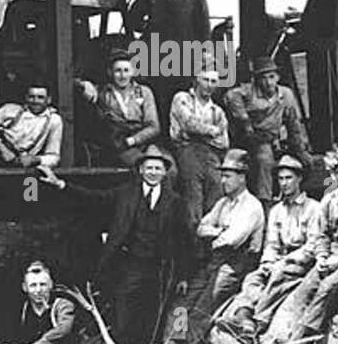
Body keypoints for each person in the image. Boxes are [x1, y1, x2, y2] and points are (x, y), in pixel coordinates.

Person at [38, 145, 190, 344]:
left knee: (153, 314)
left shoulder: (175, 202)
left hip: (159, 269)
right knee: (123, 312)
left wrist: (182, 275)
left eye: (157, 168)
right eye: (149, 168)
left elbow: (183, 241)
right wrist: (61, 184)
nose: (153, 172)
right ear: (141, 171)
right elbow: (94, 197)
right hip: (130, 265)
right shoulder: (126, 193)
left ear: (165, 172)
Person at [274, 147, 338, 344]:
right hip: (332, 255)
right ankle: (289, 336)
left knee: (328, 287)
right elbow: (322, 235)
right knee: (305, 290)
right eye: (337, 173)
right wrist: (321, 257)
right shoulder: (329, 199)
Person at [218, 155, 322, 340]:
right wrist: (267, 262)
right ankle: (244, 315)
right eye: (280, 179)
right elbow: (272, 244)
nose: (284, 183)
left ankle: (258, 320)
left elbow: (312, 245)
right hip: (278, 260)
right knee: (254, 277)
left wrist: (285, 260)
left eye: (288, 178)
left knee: (279, 274)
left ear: (299, 179)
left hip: (300, 261)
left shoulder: (313, 208)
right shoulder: (276, 211)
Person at [179, 149, 266, 344]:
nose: (223, 181)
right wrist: (219, 231)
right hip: (215, 264)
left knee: (201, 309)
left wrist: (217, 236)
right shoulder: (223, 203)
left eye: (228, 176)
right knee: (181, 304)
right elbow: (201, 228)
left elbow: (231, 241)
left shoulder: (252, 206)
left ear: (242, 177)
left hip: (236, 268)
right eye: (222, 175)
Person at [126, 0, 212, 114]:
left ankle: (180, 139)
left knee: (183, 96)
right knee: (158, 95)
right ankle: (160, 138)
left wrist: (205, 52)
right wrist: (146, 28)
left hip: (186, 53)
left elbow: (203, 23)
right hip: (156, 53)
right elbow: (133, 18)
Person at [225, 56, 311, 202]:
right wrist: (245, 120)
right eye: (263, 78)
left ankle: (292, 199)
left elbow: (293, 125)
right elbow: (231, 95)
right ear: (257, 80)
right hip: (255, 140)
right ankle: (264, 201)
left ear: (277, 77)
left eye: (271, 77)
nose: (268, 82)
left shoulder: (286, 94)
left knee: (307, 162)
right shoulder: (249, 92)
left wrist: (300, 149)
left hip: (276, 139)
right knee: (264, 160)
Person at [77, 50, 161, 167]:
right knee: (143, 166)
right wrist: (84, 84)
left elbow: (154, 127)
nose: (123, 76)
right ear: (110, 72)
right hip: (118, 147)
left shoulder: (144, 92)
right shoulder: (102, 93)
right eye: (118, 71)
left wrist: (132, 140)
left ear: (132, 72)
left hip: (143, 142)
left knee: (169, 169)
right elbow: (71, 83)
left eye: (126, 70)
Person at [170, 68, 230, 229]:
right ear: (196, 80)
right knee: (193, 192)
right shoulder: (182, 98)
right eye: (206, 80)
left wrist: (202, 133)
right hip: (186, 148)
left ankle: (211, 240)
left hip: (210, 153)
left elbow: (224, 142)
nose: (209, 85)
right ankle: (193, 244)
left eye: (213, 81)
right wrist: (211, 131)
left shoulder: (217, 111)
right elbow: (188, 124)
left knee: (216, 187)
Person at [0, 83, 64, 168]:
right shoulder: (10, 110)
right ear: (26, 98)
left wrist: (35, 159)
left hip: (25, 168)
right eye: (31, 97)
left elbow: (54, 157)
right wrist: (2, 149)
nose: (35, 101)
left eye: (40, 97)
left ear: (48, 100)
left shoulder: (54, 120)